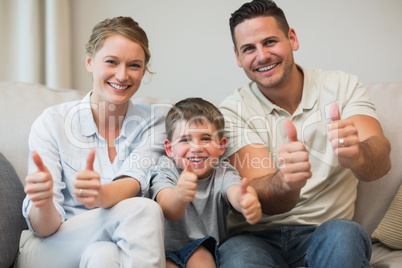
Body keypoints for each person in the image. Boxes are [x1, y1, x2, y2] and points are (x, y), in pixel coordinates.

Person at [218, 0, 392, 267]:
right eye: (249, 48)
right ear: (237, 56)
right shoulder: (232, 111)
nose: (262, 56)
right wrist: (286, 183)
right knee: (239, 258)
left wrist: (358, 155)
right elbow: (261, 194)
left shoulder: (342, 87)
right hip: (254, 238)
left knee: (345, 234)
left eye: (270, 42)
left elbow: (380, 162)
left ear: (292, 38)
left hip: (326, 231)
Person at [17, 16, 167, 268]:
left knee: (103, 254)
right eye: (111, 62)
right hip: (50, 247)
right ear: (90, 61)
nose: (122, 75)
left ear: (143, 70)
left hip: (113, 246)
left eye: (134, 65)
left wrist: (100, 194)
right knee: (145, 210)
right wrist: (42, 203)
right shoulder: (53, 122)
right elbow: (45, 229)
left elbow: (132, 182)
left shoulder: (154, 124)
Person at [150, 98, 262, 268]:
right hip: (166, 250)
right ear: (169, 149)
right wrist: (179, 194)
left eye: (206, 138)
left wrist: (246, 201)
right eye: (185, 140)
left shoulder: (222, 172)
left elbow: (235, 191)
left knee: (201, 255)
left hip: (205, 249)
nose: (196, 147)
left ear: (221, 146)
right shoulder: (166, 169)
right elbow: (167, 207)